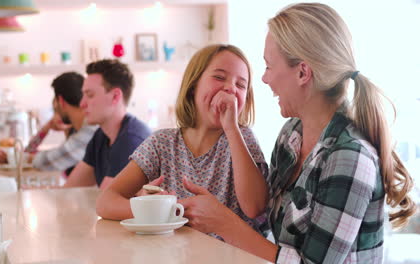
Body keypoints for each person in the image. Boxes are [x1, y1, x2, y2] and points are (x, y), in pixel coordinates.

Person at [174, 3, 417, 263]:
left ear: (302, 72)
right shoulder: (291, 135)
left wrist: (223, 223)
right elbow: (266, 222)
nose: (264, 80)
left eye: (268, 66)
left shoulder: (349, 157)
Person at [95, 44, 269, 238]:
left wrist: (231, 128)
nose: (230, 88)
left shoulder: (242, 139)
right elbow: (105, 202)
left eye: (241, 85)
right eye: (219, 77)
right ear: (194, 85)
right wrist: (154, 210)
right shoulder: (162, 143)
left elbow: (255, 207)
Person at [63, 59, 151, 189]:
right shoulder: (101, 136)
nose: (82, 103)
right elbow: (70, 189)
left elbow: (104, 204)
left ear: (115, 96)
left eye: (90, 95)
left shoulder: (131, 141)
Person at [0, 72, 97, 176]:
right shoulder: (77, 131)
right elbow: (31, 151)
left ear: (60, 101)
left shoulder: (88, 130)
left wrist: (15, 158)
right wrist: (46, 128)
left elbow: (49, 161)